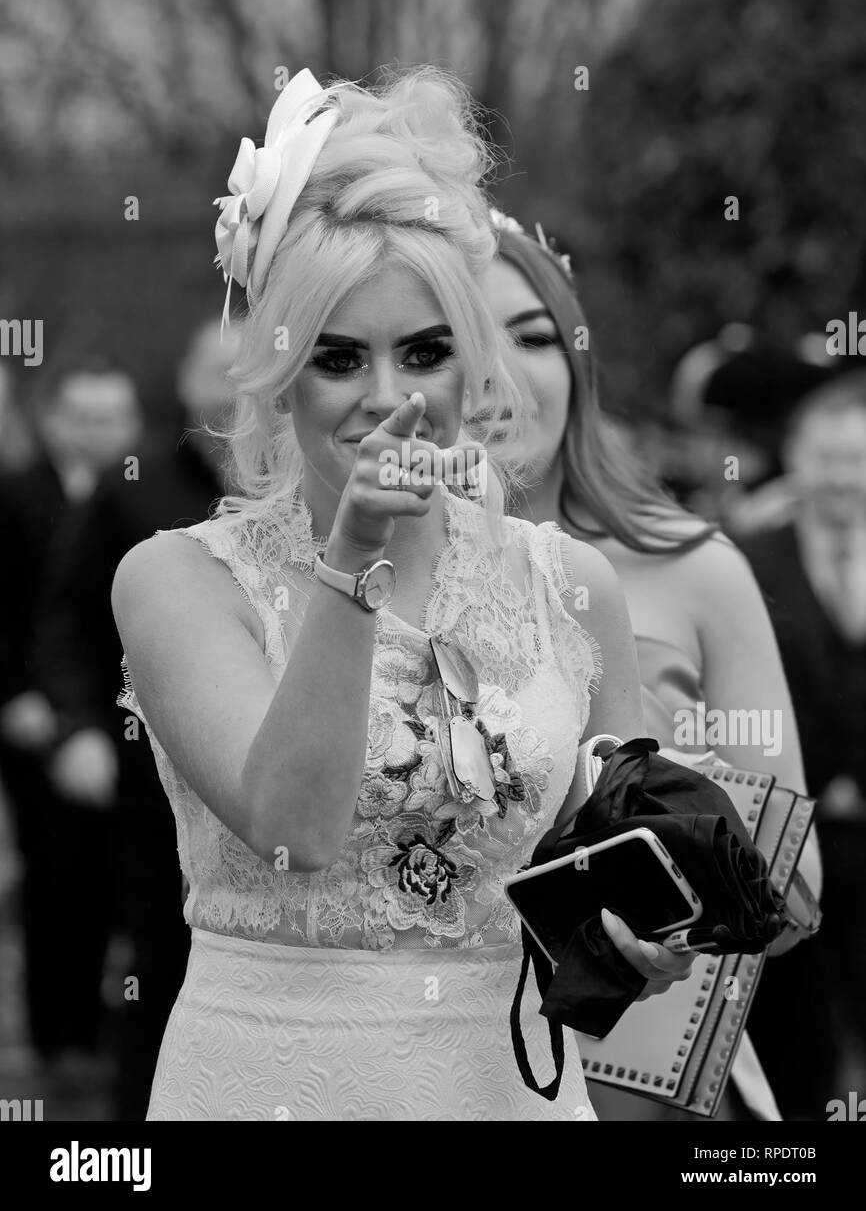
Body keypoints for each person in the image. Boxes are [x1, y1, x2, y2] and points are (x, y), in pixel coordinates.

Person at [111, 67, 692, 1121]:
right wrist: (352, 561)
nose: (386, 398)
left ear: (472, 365)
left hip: (511, 1088)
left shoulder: (570, 583)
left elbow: (615, 864)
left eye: (421, 351)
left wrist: (640, 941)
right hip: (268, 1083)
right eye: (339, 358)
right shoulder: (179, 580)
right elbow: (294, 832)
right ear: (282, 376)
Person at [478, 209, 822, 1121]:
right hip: (438, 1068)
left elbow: (794, 888)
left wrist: (674, 828)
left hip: (649, 1086)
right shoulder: (357, 598)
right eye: (459, 340)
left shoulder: (697, 568)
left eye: (534, 335)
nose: (503, 374)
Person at [33, 318, 239, 1119]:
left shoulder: (308, 494)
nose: (232, 391)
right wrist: (76, 727)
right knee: (159, 962)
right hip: (154, 786)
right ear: (186, 383)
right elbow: (67, 626)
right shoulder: (132, 489)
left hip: (275, 787)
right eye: (217, 373)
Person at [0, 357, 141, 1077]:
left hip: (124, 724)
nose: (99, 433)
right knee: (55, 878)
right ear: (52, 420)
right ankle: (59, 1042)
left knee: (121, 882)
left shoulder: (143, 500)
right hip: (32, 722)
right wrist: (17, 698)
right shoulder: (13, 495)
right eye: (83, 417)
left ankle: (113, 1040)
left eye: (112, 418)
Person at [738, 371, 866, 1114]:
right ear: (796, 457)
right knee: (796, 1044)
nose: (844, 478)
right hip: (795, 840)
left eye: (859, 459)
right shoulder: (749, 558)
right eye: (828, 458)